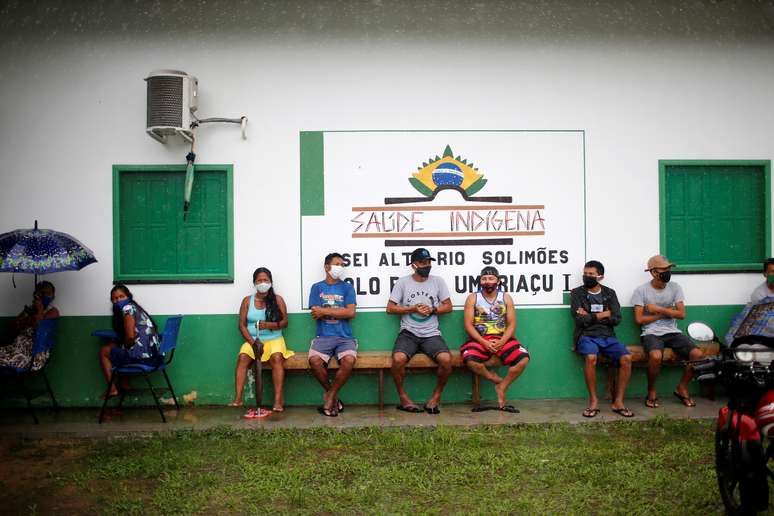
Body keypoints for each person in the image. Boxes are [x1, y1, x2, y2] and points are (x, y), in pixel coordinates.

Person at [631, 255, 704, 408]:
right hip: (650, 333)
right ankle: (651, 389)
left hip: (672, 331)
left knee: (698, 355)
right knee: (656, 356)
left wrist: (657, 310)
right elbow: (639, 320)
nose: (667, 272)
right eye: (664, 269)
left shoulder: (675, 287)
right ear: (653, 272)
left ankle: (682, 387)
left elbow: (682, 314)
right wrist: (668, 312)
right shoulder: (641, 291)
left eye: (669, 269)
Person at [388, 248, 453, 414]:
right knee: (398, 359)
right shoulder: (403, 283)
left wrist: (432, 310)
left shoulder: (438, 281)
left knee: (446, 360)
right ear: (414, 265)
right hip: (408, 332)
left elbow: (448, 306)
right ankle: (403, 398)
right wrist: (412, 309)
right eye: (423, 263)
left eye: (429, 262)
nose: (427, 265)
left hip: (431, 333)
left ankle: (435, 397)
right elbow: (390, 308)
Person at [460, 266, 529, 413]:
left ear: (498, 280)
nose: (487, 281)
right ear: (480, 281)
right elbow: (468, 325)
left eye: (491, 278)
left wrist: (502, 341)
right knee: (470, 360)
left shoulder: (505, 297)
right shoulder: (473, 298)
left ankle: (502, 386)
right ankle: (495, 379)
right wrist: (484, 342)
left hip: (502, 337)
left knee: (523, 358)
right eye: (484, 279)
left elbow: (511, 325)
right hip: (479, 338)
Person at [570, 261, 633, 418]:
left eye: (591, 274)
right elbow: (579, 321)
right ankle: (593, 401)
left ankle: (618, 401)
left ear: (600, 277)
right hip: (586, 335)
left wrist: (590, 316)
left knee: (626, 358)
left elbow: (617, 318)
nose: (587, 277)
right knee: (591, 357)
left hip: (607, 336)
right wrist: (603, 314)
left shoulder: (610, 293)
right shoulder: (577, 293)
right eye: (585, 274)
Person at [231, 267, 294, 413]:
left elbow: (285, 322)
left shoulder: (278, 300)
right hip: (253, 340)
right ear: (254, 283)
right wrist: (253, 344)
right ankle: (238, 398)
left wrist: (269, 325)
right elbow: (241, 325)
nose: (262, 283)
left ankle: (278, 400)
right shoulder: (247, 301)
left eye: (265, 280)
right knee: (243, 357)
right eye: (259, 280)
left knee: (277, 358)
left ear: (271, 282)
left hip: (274, 339)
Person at [308, 252, 357, 417]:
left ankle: (329, 396)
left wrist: (325, 311)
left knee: (349, 360)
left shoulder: (347, 287)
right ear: (327, 267)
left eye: (342, 265)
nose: (340, 267)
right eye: (337, 264)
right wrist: (337, 311)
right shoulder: (317, 287)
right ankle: (333, 396)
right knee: (314, 361)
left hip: (344, 337)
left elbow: (351, 313)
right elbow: (315, 312)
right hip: (324, 336)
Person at [99, 285, 162, 398]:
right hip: (156, 358)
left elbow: (130, 337)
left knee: (104, 351)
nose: (118, 300)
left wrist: (125, 344)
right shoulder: (136, 308)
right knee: (117, 349)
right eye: (115, 299)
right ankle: (124, 383)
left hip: (143, 360)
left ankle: (112, 389)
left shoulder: (127, 309)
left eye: (121, 296)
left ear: (128, 296)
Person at [0, 281, 59, 371]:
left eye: (49, 294)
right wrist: (26, 314)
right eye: (42, 293)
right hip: (15, 348)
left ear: (53, 296)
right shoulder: (30, 309)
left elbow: (39, 328)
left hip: (33, 355)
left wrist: (39, 309)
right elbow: (13, 328)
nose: (46, 296)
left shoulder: (53, 311)